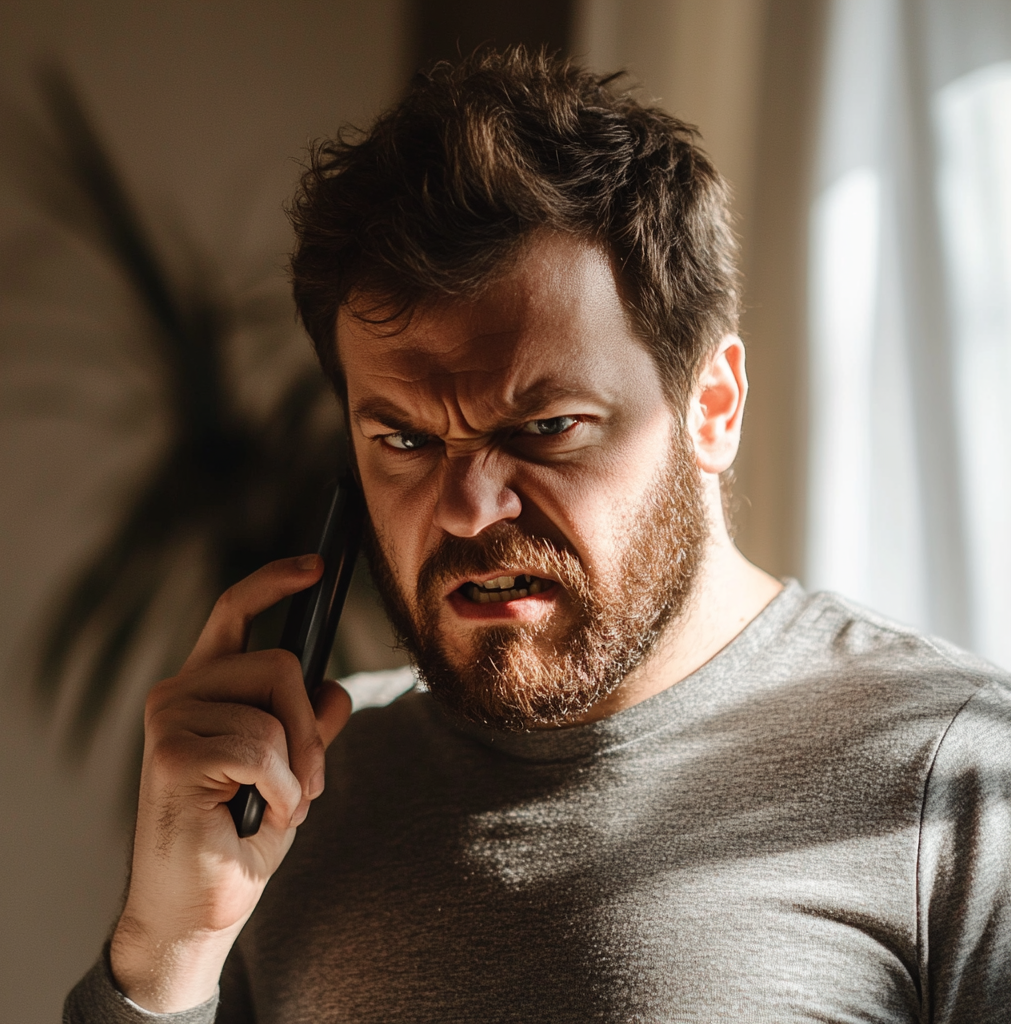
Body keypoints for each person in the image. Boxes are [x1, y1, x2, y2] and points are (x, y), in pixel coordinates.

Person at [65, 49, 1011, 1023]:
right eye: (402, 437)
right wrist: (166, 956)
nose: (469, 507)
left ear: (712, 406)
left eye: (545, 427)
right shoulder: (289, 800)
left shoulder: (957, 781)